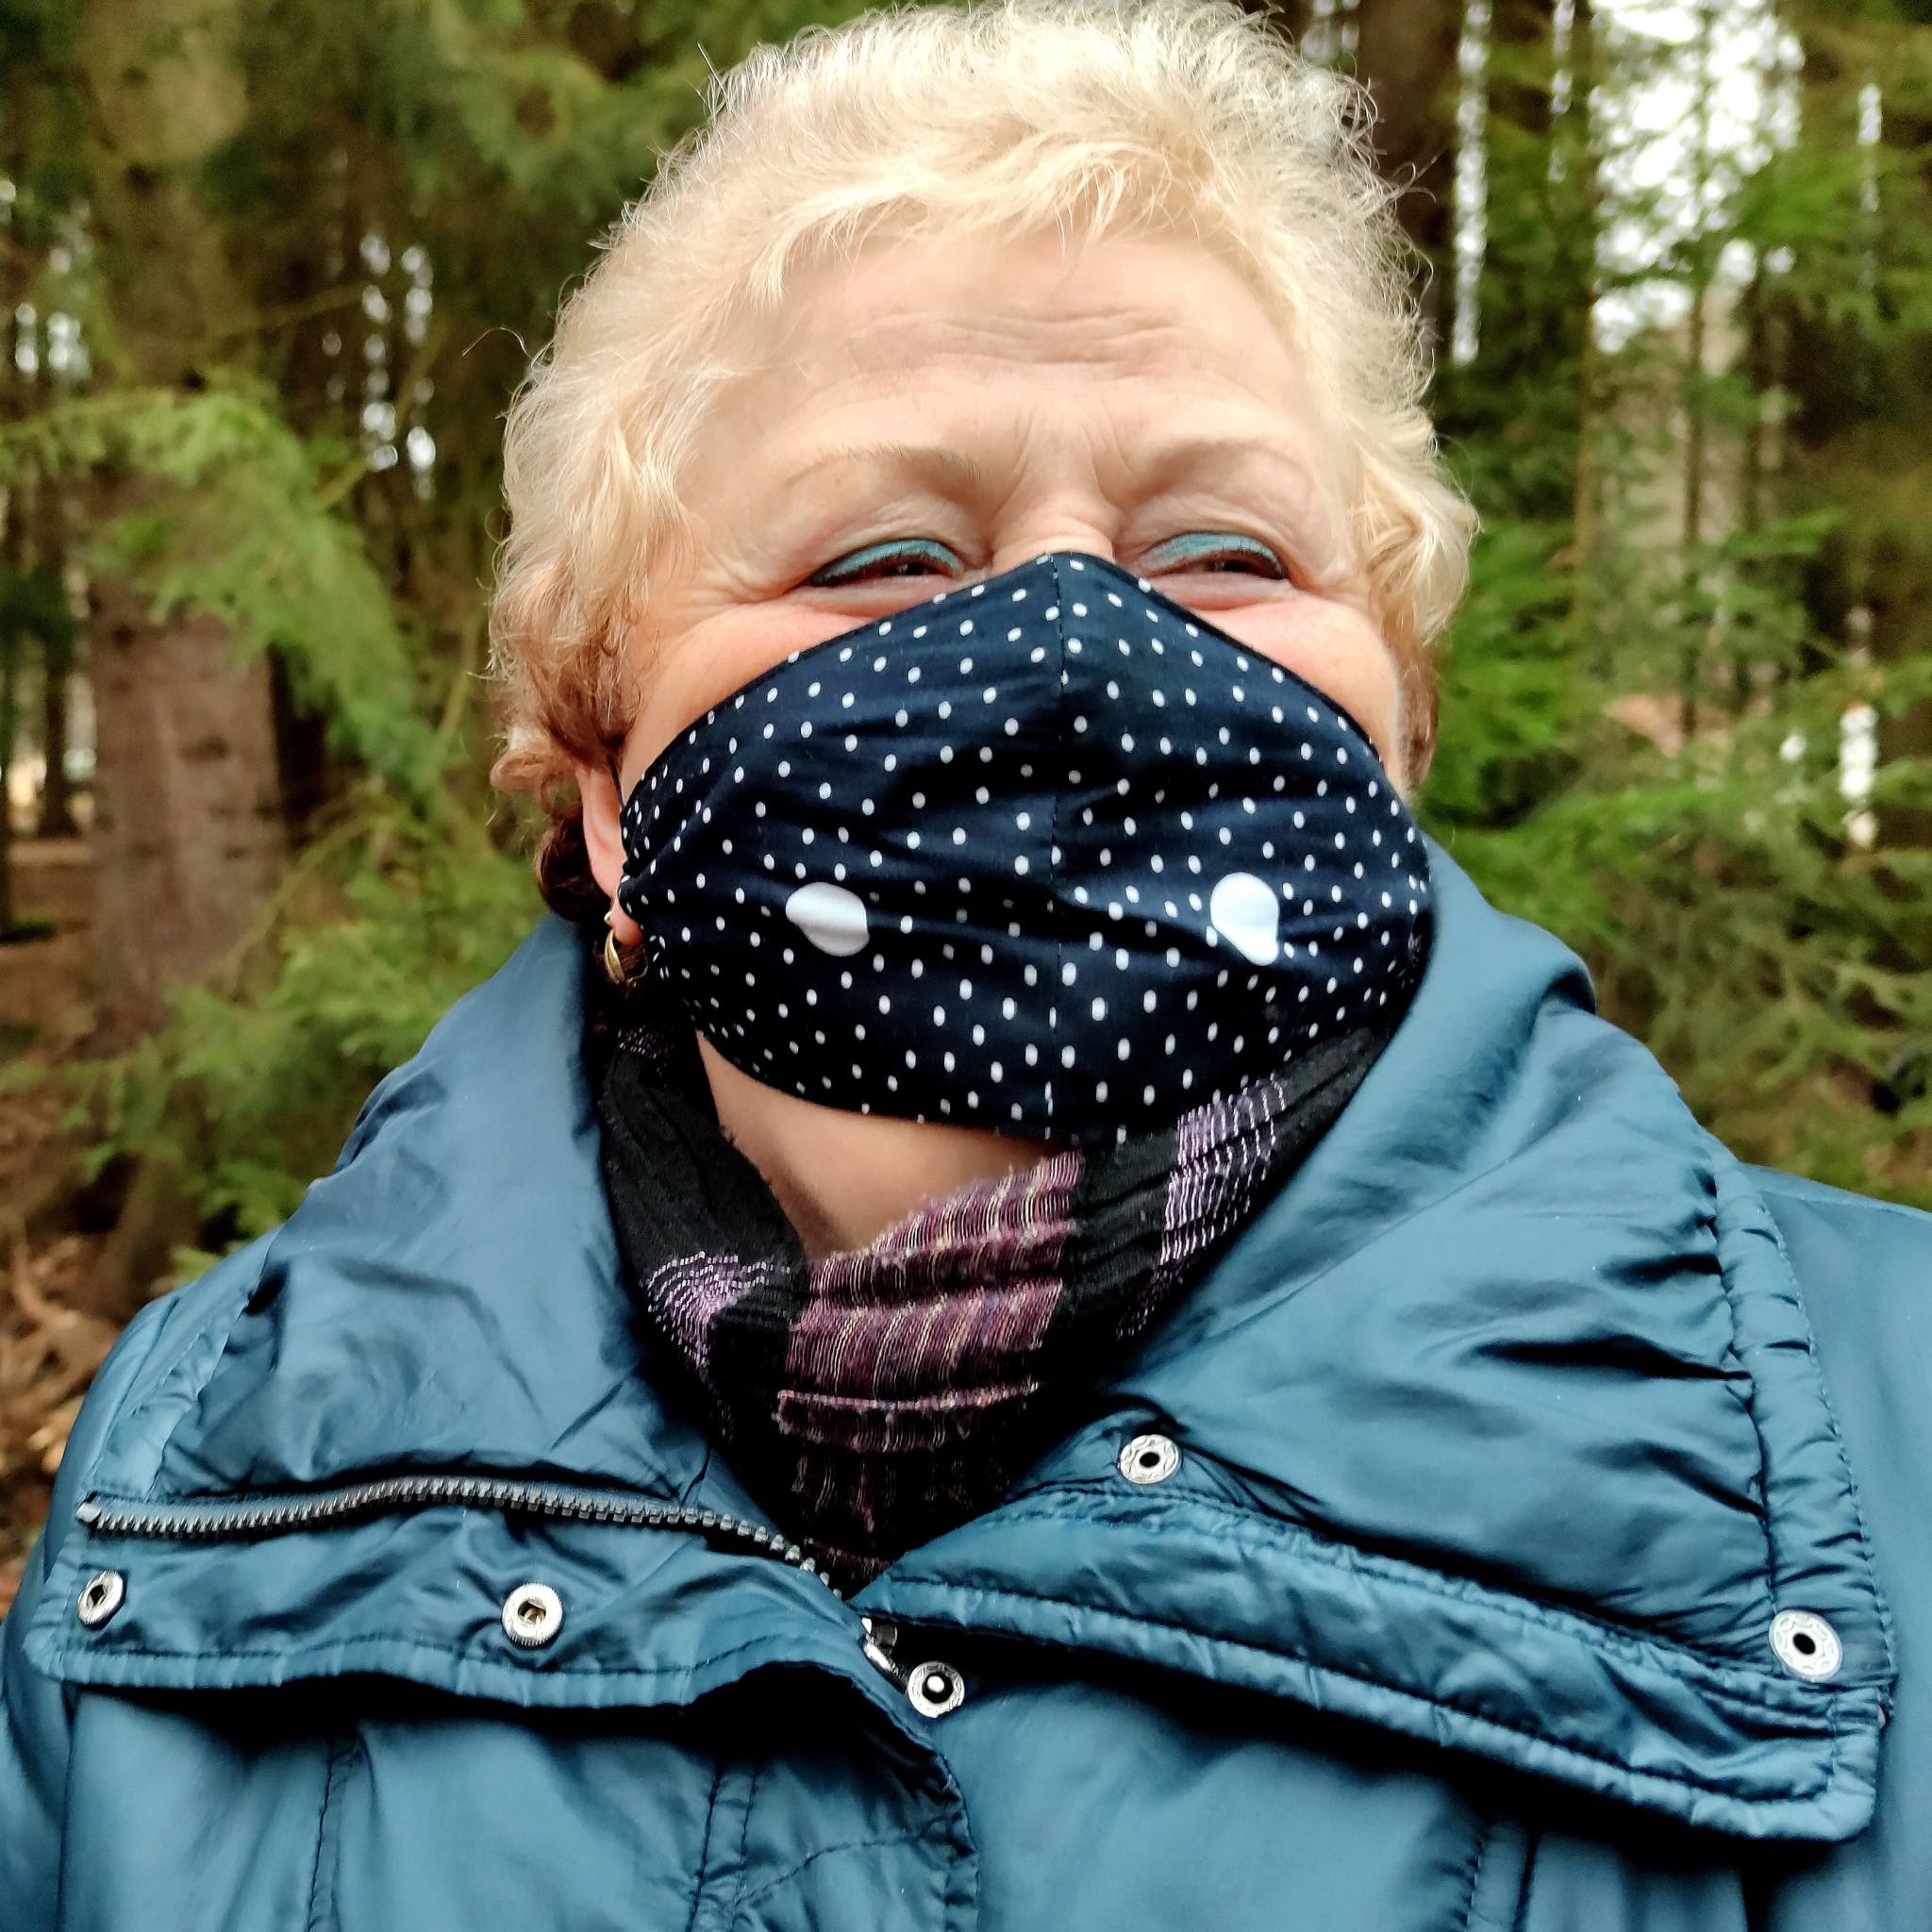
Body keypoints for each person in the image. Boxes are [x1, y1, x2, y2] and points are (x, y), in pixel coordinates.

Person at [4, 2, 1928, 1924]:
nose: (1076, 638)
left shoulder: (1881, 1420)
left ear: (1397, 729)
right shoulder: (210, 1467)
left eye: (1226, 550)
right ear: (604, 785)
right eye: (886, 560)